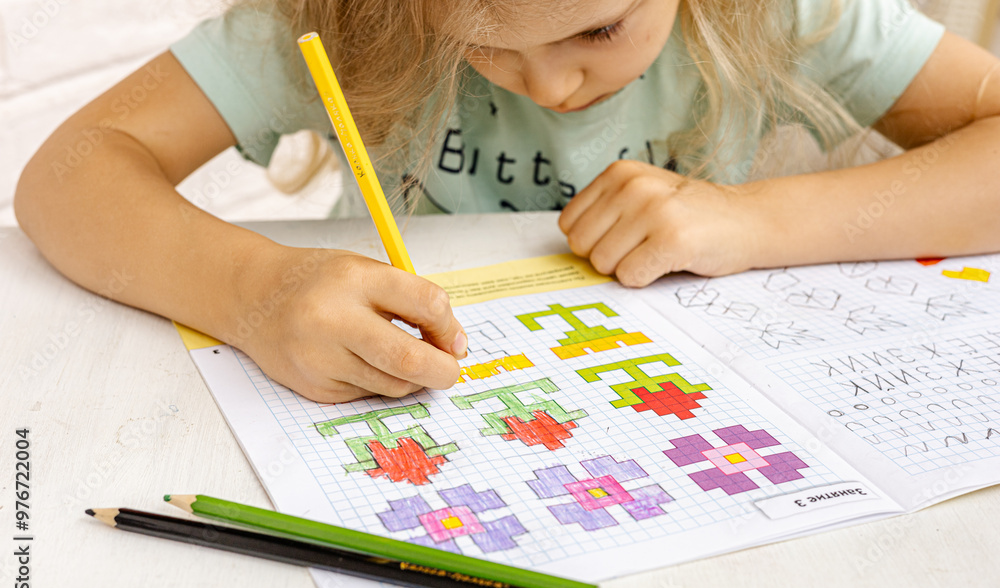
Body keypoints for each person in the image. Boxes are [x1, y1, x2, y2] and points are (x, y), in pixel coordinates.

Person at [14, 0, 1000, 403]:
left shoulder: (776, 10)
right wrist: (253, 290)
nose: (552, 88)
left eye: (600, 30)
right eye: (479, 43)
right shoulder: (341, 20)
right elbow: (68, 176)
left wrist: (758, 219)